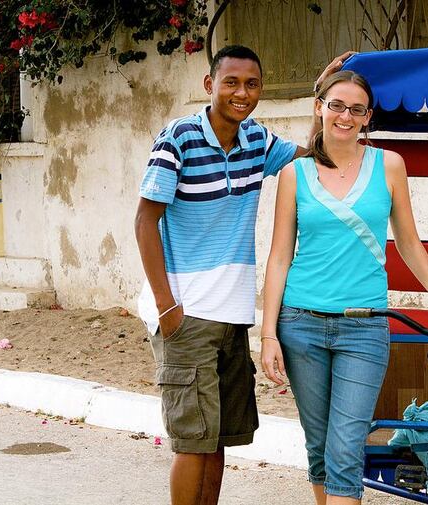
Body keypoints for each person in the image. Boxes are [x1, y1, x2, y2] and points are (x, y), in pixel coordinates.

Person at [134, 45, 351, 505]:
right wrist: (166, 306)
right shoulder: (178, 139)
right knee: (193, 444)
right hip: (187, 314)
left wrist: (324, 93)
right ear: (210, 86)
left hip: (231, 316)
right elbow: (144, 220)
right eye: (231, 82)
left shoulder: (256, 141)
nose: (241, 92)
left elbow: (314, 155)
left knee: (217, 443)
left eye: (252, 84)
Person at [259, 69, 428, 505]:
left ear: (367, 117)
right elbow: (278, 257)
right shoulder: (295, 173)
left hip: (364, 328)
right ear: (320, 108)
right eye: (336, 106)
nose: (344, 116)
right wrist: (268, 333)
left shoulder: (389, 165)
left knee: (346, 445)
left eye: (355, 109)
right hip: (300, 324)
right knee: (319, 446)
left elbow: (407, 241)